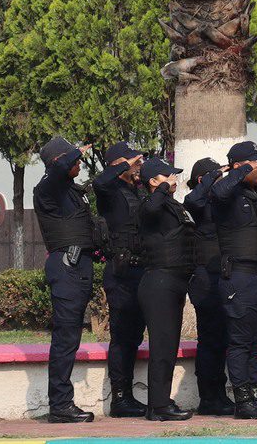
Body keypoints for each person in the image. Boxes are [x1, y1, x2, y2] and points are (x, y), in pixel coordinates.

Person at [208, 139, 257, 420]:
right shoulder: (226, 196)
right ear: (239, 166)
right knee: (241, 342)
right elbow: (217, 192)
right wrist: (239, 171)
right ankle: (243, 400)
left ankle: (255, 395)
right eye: (255, 163)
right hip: (240, 278)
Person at [32, 136, 98, 424]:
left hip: (81, 266)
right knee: (65, 339)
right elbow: (56, 173)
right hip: (66, 267)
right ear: (60, 162)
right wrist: (70, 154)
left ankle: (63, 403)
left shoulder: (73, 191)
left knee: (71, 338)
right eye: (74, 160)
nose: (79, 163)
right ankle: (60, 405)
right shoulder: (48, 190)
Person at [137, 158, 198, 421]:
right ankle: (158, 406)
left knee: (169, 345)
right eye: (168, 175)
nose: (174, 180)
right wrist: (162, 188)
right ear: (153, 181)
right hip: (158, 281)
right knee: (162, 346)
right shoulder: (150, 205)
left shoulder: (173, 206)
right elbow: (150, 210)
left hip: (175, 280)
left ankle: (160, 402)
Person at [92, 141, 148, 417]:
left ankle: (129, 396)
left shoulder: (135, 190)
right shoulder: (109, 190)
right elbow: (99, 181)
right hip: (120, 273)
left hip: (141, 271)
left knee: (134, 337)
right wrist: (126, 163)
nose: (137, 165)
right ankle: (120, 398)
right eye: (130, 161)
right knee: (122, 337)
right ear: (117, 164)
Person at [183, 158, 232, 417]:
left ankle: (219, 394)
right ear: (204, 179)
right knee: (210, 340)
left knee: (221, 340)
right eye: (216, 176)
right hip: (205, 279)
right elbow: (193, 200)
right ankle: (209, 397)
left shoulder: (220, 202)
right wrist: (212, 178)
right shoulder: (197, 202)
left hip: (222, 277)